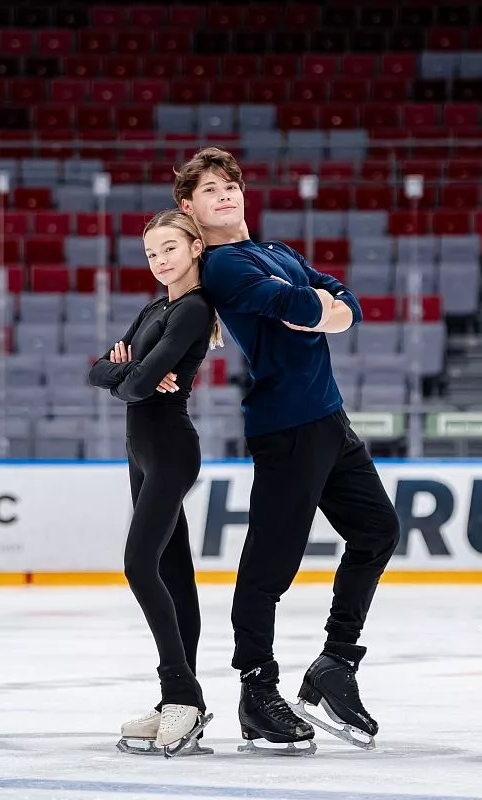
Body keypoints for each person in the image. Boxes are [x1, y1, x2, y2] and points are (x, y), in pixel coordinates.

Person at [173, 148, 401, 754]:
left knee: (378, 531)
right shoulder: (223, 265)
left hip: (330, 419)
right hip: (287, 428)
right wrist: (321, 306)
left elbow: (346, 304)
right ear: (189, 208)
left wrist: (327, 307)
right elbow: (301, 305)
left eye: (230, 184)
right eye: (210, 190)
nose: (225, 194)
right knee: (270, 567)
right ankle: (257, 687)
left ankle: (336, 665)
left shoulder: (277, 251)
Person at [87, 208, 223, 758]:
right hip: (140, 452)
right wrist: (130, 371)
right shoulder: (155, 308)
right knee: (173, 573)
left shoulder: (193, 309)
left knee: (140, 565)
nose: (160, 260)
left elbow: (139, 385)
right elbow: (100, 370)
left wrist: (129, 372)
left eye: (170, 249)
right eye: (151, 253)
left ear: (195, 247)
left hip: (169, 450)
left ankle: (183, 694)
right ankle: (175, 702)